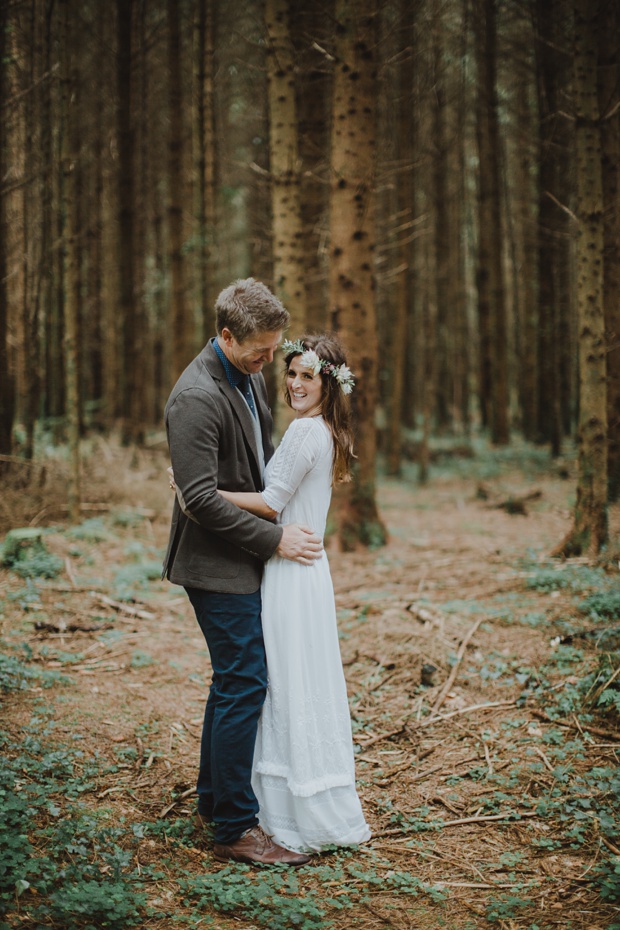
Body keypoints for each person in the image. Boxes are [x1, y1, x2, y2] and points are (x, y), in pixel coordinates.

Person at [163, 278, 323, 868]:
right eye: (259, 350)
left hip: (243, 554)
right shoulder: (195, 396)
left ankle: (213, 800)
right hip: (213, 562)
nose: (268, 363)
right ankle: (234, 826)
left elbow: (255, 459)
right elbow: (199, 500)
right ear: (226, 336)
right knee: (246, 680)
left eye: (272, 349)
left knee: (231, 679)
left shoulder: (246, 374)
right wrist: (277, 538)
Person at [216, 334, 371, 852]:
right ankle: (301, 797)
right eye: (292, 373)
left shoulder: (306, 432)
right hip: (306, 568)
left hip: (290, 567)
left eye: (309, 375)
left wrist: (201, 492)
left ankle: (289, 807)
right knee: (298, 678)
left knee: (284, 681)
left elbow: (269, 501)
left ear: (329, 381)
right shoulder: (326, 429)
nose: (296, 383)